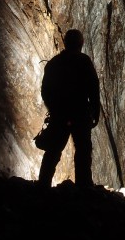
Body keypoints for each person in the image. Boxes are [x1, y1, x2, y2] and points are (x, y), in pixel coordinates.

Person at [37, 28, 101, 188]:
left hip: (60, 114)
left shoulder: (54, 63)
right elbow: (93, 88)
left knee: (53, 149)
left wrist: (54, 109)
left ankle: (43, 184)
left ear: (65, 43)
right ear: (81, 43)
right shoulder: (84, 61)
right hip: (80, 113)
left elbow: (45, 91)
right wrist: (95, 111)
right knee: (83, 150)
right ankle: (83, 186)